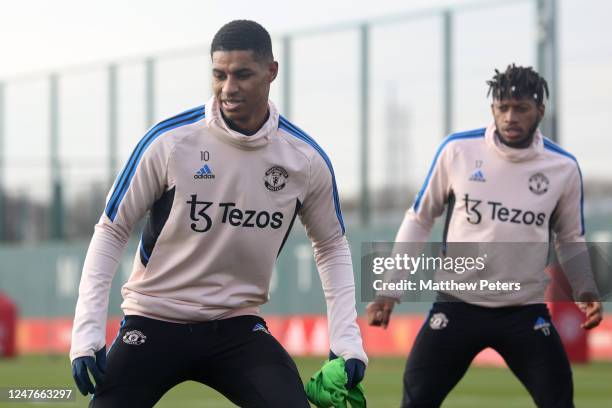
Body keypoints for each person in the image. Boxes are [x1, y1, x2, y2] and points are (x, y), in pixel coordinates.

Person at [70, 19, 367, 408]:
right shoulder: (170, 142)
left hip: (237, 326)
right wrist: (87, 331)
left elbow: (331, 246)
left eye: (242, 74)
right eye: (219, 74)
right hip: (153, 320)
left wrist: (346, 339)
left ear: (271, 72)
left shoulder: (305, 160)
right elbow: (112, 229)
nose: (229, 88)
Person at [367, 64, 603, 408]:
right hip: (457, 306)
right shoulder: (458, 151)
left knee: (559, 400)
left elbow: (570, 236)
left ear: (540, 110)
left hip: (524, 312)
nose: (509, 117)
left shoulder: (562, 167)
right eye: (501, 107)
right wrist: (390, 288)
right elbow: (419, 219)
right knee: (416, 400)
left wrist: (585, 288)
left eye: (520, 108)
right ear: (492, 108)